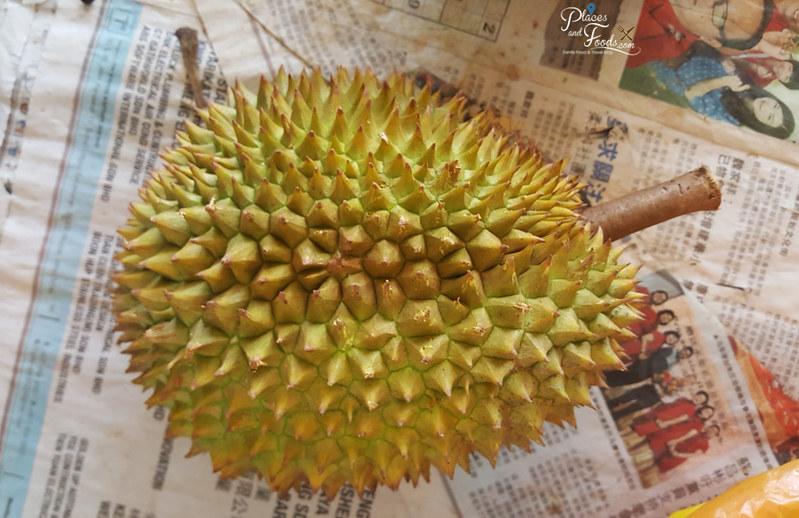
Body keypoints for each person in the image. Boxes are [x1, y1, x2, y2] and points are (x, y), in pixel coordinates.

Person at [605, 346, 693, 387]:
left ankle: (604, 386)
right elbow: (655, 358)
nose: (684, 354)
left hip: (644, 375)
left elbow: (663, 372)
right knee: (619, 374)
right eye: (685, 351)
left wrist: (660, 379)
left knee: (621, 382)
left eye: (686, 355)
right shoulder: (670, 350)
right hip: (642, 366)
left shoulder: (675, 363)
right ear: (682, 349)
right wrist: (655, 373)